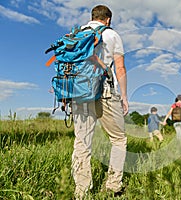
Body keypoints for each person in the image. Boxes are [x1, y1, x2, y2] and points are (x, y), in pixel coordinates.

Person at [71, 5, 128, 199]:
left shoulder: (78, 33)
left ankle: (81, 192)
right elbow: (119, 68)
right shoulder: (112, 35)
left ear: (92, 17)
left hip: (78, 92)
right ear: (108, 20)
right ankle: (113, 186)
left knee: (82, 142)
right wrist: (124, 96)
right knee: (119, 139)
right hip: (104, 91)